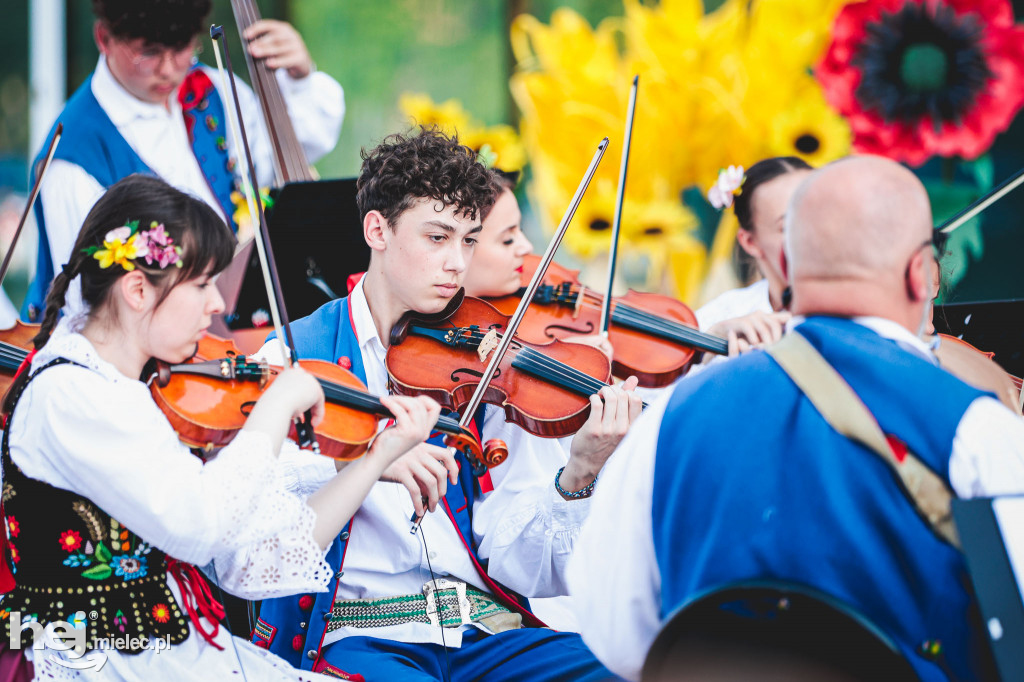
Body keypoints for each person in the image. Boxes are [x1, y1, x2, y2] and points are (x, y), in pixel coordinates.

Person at [568, 156, 1024, 681]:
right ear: (922, 274)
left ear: (791, 262)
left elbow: (614, 633)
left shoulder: (669, 417)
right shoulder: (970, 425)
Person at [0, 175, 441, 681]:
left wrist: (374, 459)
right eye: (203, 283)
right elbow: (201, 525)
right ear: (138, 289)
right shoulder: (69, 394)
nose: (217, 305)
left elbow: (253, 563)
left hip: (174, 653)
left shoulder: (139, 391)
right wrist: (277, 406)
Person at [253, 129, 641, 680]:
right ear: (377, 229)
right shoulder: (295, 355)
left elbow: (516, 560)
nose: (458, 263)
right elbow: (255, 516)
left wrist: (579, 469)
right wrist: (368, 458)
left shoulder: (487, 361)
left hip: (481, 634)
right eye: (438, 238)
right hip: (362, 636)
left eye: (468, 240)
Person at [22, 0, 344, 322]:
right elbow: (89, 309)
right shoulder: (75, 156)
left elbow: (285, 157)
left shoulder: (212, 89)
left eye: (180, 50)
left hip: (232, 327)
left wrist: (299, 79)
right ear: (104, 38)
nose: (167, 69)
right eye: (148, 52)